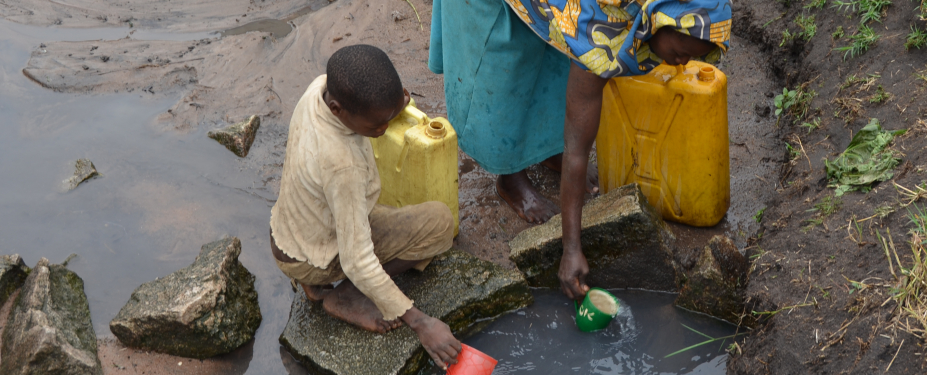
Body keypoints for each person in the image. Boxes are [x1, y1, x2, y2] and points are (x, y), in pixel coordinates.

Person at [430, 0, 733, 298]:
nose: (681, 64)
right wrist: (571, 249)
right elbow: (578, 151)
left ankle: (545, 148)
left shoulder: (639, 13)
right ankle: (509, 174)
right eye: (680, 54)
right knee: (504, 61)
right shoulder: (600, 35)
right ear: (660, 21)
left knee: (556, 54)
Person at [269, 45, 461, 368]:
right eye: (377, 126)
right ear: (338, 110)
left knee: (383, 214)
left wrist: (392, 107)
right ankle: (346, 296)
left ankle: (315, 286)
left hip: (289, 235)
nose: (384, 130)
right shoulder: (342, 167)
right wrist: (421, 323)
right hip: (317, 256)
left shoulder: (318, 89)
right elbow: (357, 260)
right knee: (440, 225)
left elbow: (377, 104)